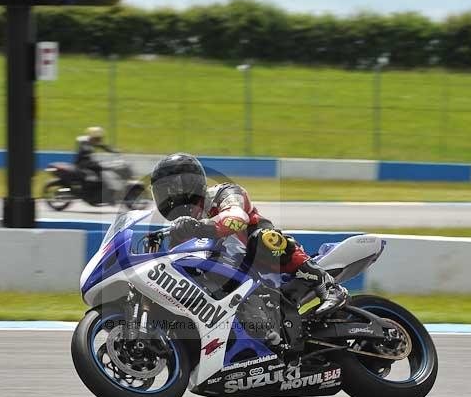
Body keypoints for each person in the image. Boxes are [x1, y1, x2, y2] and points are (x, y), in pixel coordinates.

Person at [150, 152, 349, 343]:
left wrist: (202, 227)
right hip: (231, 278)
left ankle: (328, 285)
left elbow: (237, 217)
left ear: (189, 184)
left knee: (263, 238)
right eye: (161, 193)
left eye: (170, 190)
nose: (167, 199)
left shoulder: (224, 193)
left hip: (262, 261)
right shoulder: (180, 229)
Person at [75, 126, 121, 198]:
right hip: (82, 164)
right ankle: (93, 192)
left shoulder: (92, 141)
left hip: (88, 162)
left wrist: (114, 151)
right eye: (98, 138)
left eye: (100, 137)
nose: (100, 139)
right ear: (93, 136)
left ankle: (99, 190)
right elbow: (84, 148)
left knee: (101, 168)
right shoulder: (84, 143)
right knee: (101, 168)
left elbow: (103, 146)